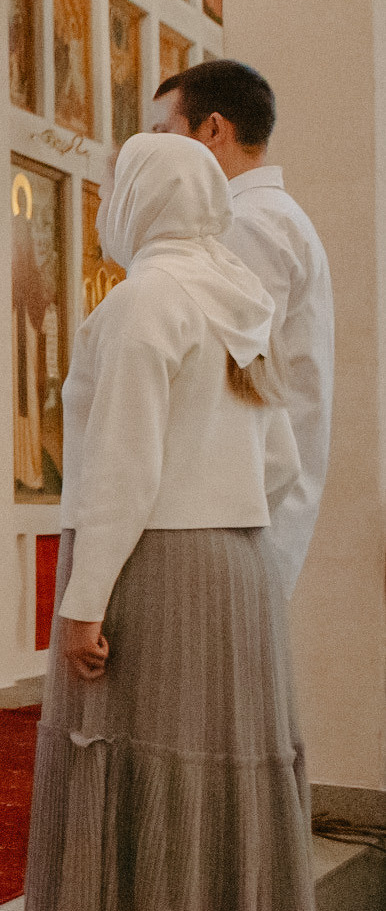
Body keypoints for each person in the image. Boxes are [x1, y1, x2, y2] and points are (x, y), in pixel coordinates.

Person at [24, 132, 327, 911]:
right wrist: (230, 522)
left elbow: (120, 464)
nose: (108, 200)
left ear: (142, 198)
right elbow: (279, 460)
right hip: (230, 562)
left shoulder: (143, 299)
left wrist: (82, 602)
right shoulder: (236, 296)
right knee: (221, 791)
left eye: (116, 186)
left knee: (186, 791)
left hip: (160, 561)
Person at [150, 60, 333, 593]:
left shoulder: (247, 223)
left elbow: (224, 382)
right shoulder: (271, 215)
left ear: (213, 130)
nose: (154, 150)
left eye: (164, 132)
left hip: (239, 515)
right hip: (248, 509)